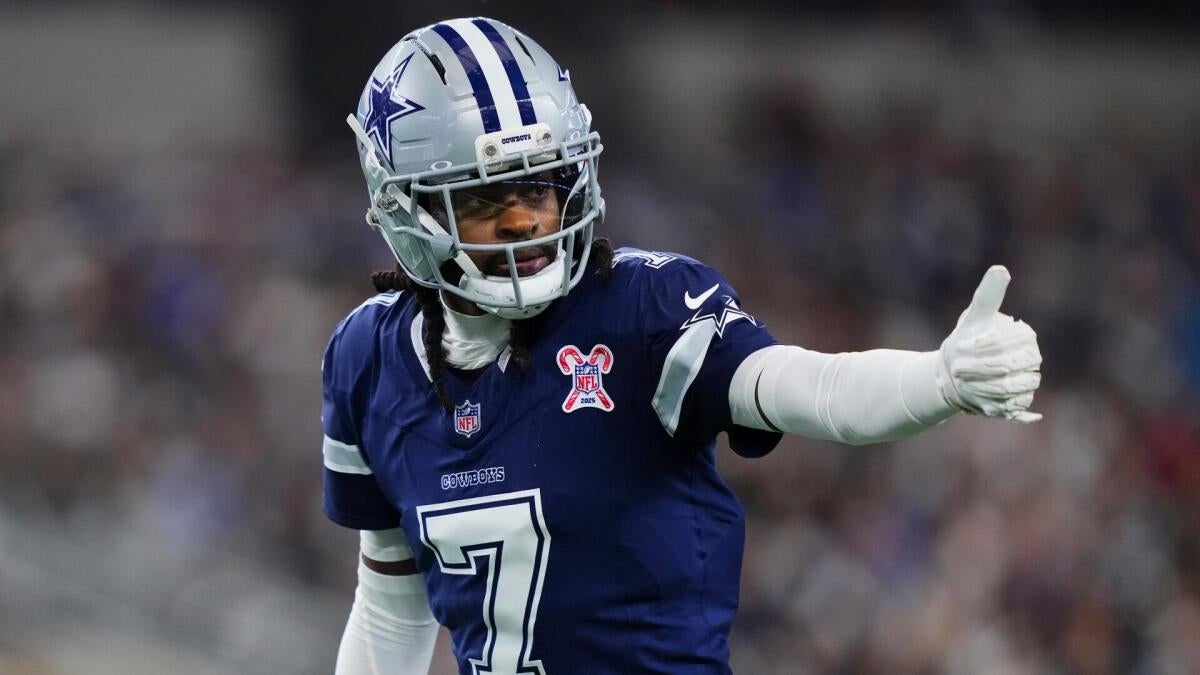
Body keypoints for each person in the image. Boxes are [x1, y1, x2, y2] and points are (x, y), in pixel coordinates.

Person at [323, 17, 1042, 675]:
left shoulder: (642, 308)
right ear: (404, 210)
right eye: (484, 199)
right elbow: (391, 608)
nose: (524, 221)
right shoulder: (367, 357)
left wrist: (939, 380)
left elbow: (806, 387)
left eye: (538, 186)